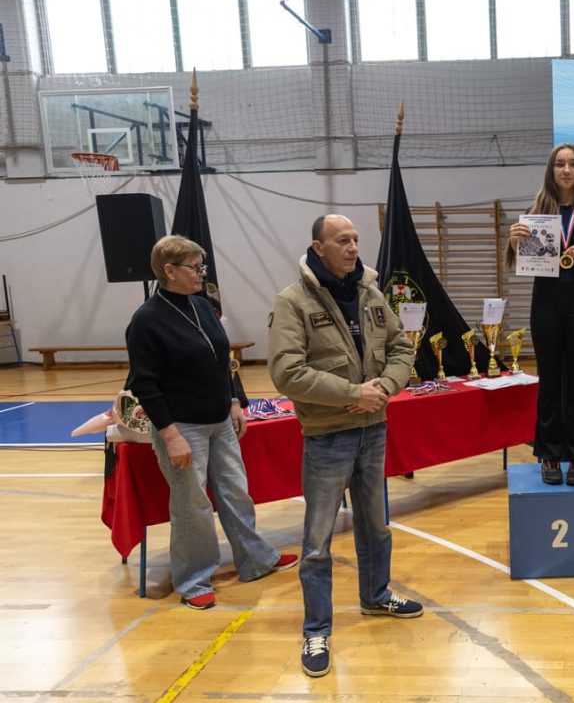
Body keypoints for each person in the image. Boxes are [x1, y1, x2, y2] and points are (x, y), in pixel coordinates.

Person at [267, 214, 420, 679]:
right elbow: (287, 372)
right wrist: (353, 393)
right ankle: (316, 629)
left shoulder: (371, 293)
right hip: (328, 434)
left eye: (355, 239)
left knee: (377, 525)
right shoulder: (292, 302)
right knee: (317, 541)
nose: (353, 247)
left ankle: (376, 595)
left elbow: (402, 349)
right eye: (342, 240)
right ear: (318, 248)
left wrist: (383, 389)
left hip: (373, 429)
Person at [125, 235, 297, 611]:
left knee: (236, 492)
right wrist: (170, 434)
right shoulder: (146, 320)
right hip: (182, 427)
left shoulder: (202, 306)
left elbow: (221, 359)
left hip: (219, 420)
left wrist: (234, 401)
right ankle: (193, 579)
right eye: (195, 267)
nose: (202, 273)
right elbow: (144, 383)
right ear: (169, 271)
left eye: (201, 266)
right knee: (193, 506)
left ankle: (255, 559)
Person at [507, 143, 574, 486]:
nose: (566, 170)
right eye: (560, 164)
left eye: (573, 164)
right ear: (551, 171)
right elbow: (517, 260)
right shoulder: (535, 212)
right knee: (549, 381)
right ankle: (550, 454)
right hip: (545, 303)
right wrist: (514, 240)